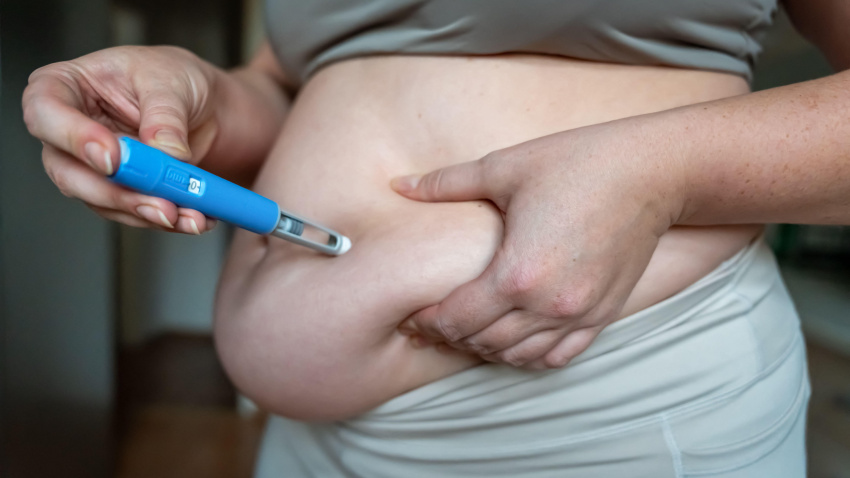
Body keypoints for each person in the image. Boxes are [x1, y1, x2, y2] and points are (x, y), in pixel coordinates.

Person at [22, 0, 849, 475]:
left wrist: (658, 171)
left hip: (608, 403)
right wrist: (201, 93)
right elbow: (299, 84)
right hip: (309, 441)